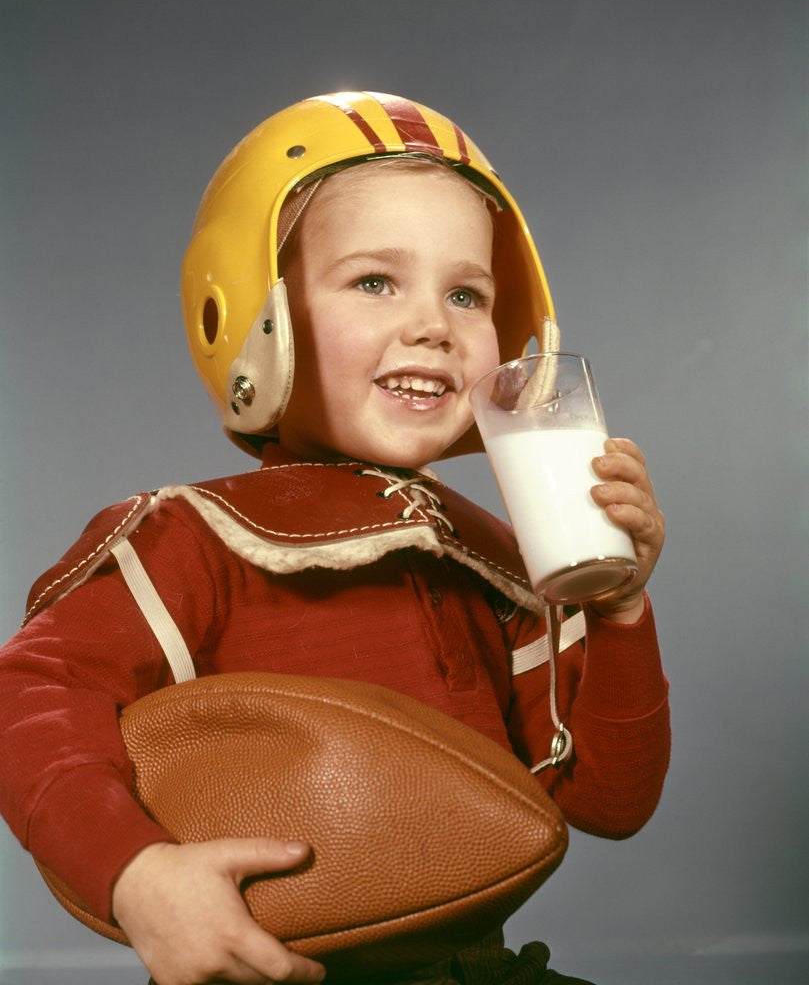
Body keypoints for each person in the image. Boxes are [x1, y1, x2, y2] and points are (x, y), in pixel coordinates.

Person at [0, 91, 669, 985]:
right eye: (374, 281)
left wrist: (619, 611)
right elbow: (26, 700)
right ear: (258, 312)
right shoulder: (190, 538)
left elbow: (609, 803)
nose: (433, 325)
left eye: (465, 294)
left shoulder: (495, 560)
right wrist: (135, 874)